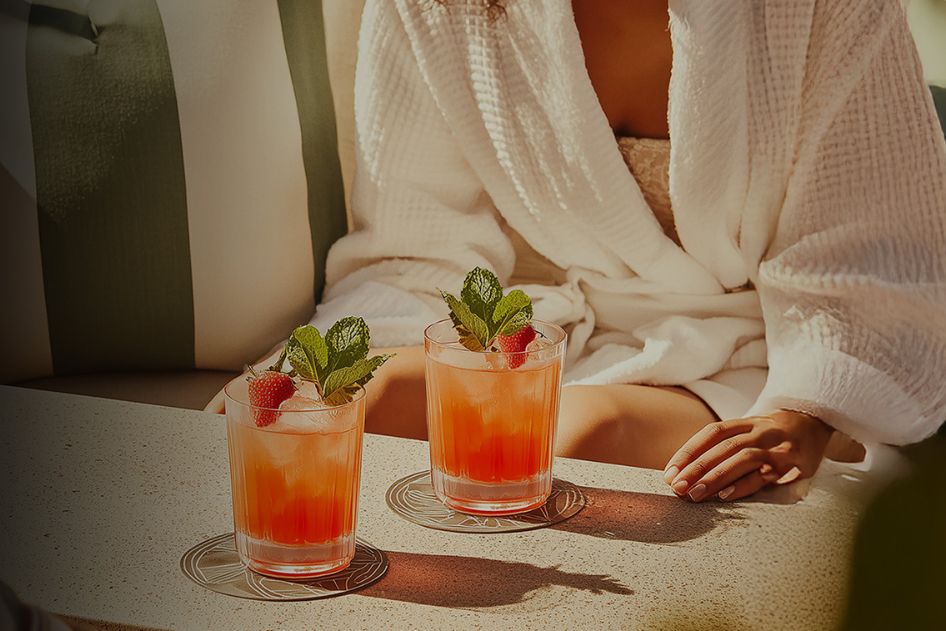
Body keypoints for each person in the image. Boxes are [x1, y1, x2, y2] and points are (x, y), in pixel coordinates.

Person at [209, 0, 946, 502]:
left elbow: (868, 243)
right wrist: (317, 376)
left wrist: (807, 412)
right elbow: (417, 247)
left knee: (574, 436)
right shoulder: (445, 6)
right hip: (570, 324)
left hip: (764, 351)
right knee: (343, 405)